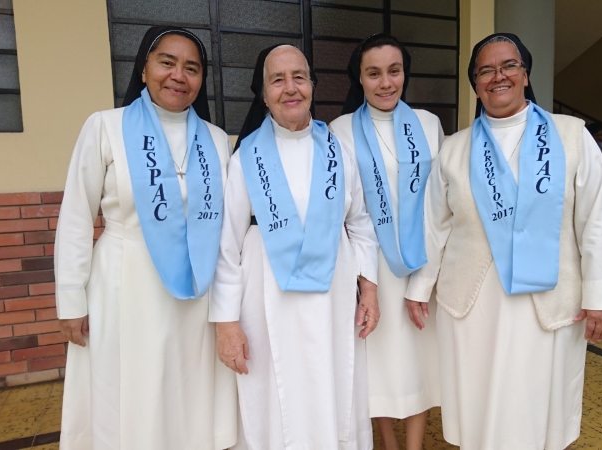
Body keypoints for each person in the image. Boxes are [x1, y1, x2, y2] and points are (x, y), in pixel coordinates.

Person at [408, 33, 602, 449]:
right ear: (475, 83)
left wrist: (600, 296)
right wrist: (419, 287)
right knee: (477, 400)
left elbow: (597, 220)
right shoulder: (454, 149)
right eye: (485, 70)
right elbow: (434, 226)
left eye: (508, 66)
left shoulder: (572, 136)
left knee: (537, 402)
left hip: (547, 300)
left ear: (525, 74)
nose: (497, 76)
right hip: (473, 303)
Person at [55, 27, 237, 449]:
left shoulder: (215, 140)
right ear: (143, 69)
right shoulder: (105, 127)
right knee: (128, 389)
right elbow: (77, 215)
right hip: (124, 283)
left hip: (194, 291)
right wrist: (70, 298)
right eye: (167, 62)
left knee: (186, 389)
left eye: (191, 68)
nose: (178, 75)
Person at [211, 44, 379, 449]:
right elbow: (225, 245)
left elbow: (360, 223)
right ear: (264, 93)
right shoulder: (246, 157)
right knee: (275, 389)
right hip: (266, 296)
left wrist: (369, 289)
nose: (290, 88)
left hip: (333, 296)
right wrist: (226, 324)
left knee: (332, 381)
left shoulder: (338, 151)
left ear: (313, 86)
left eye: (299, 77)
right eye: (277, 79)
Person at [329, 33, 443, 450]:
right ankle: (388, 443)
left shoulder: (429, 124)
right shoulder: (339, 130)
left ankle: (413, 445)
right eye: (373, 73)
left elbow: (439, 201)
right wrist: (362, 282)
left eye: (393, 71)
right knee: (375, 365)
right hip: (369, 270)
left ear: (404, 74)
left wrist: (428, 277)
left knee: (419, 363)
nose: (385, 82)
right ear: (359, 78)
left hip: (421, 266)